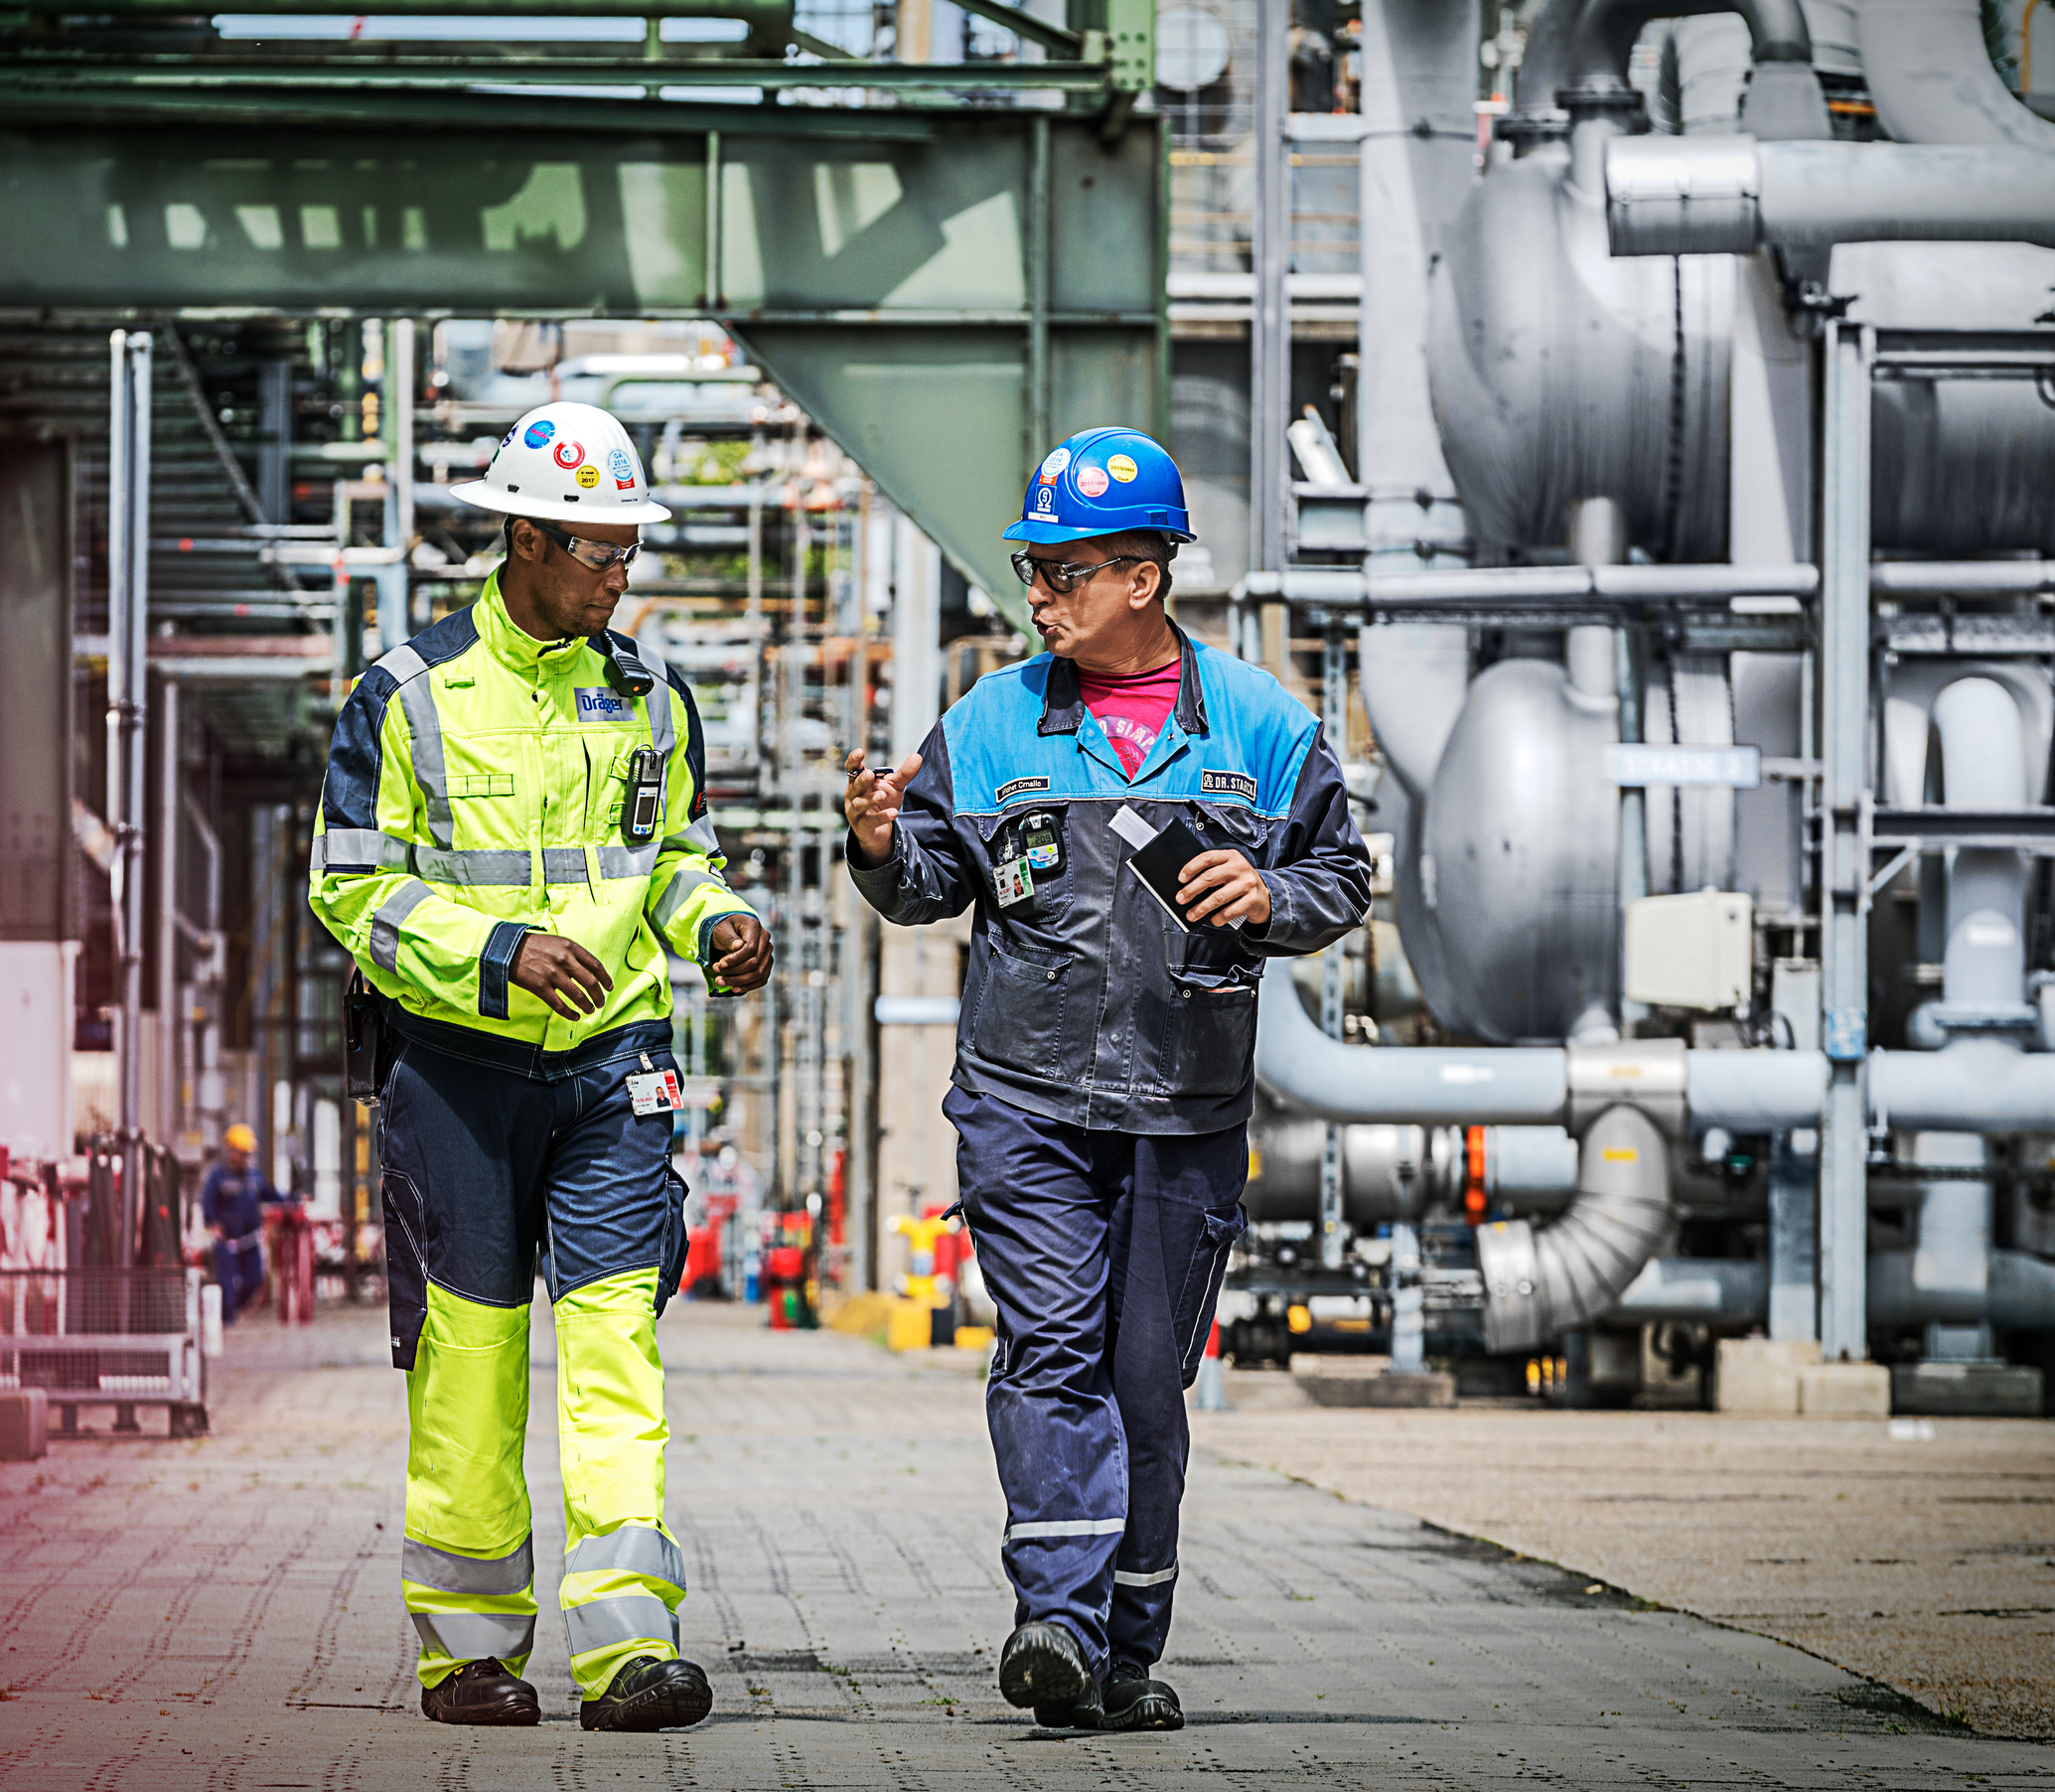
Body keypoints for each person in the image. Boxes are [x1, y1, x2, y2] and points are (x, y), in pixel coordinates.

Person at [843, 427, 1370, 1733]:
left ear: (1143, 577)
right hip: (1027, 1102)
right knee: (1052, 1348)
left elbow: (1345, 877)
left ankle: (1126, 1651)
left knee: (1147, 1382)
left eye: (1064, 571)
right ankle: (1058, 1622)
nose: (1038, 595)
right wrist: (869, 847)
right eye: (1033, 569)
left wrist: (1275, 890)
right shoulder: (988, 724)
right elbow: (925, 883)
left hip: (1185, 1117)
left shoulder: (1264, 727)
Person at [309, 400, 771, 1734]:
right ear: (524, 537)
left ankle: (627, 1648)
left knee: (618, 1340)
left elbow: (673, 859)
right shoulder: (404, 697)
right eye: (599, 554)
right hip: (455, 1073)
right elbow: (352, 893)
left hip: (614, 1071)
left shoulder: (650, 699)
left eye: (629, 554)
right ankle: (466, 1653)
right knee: (473, 1357)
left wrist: (717, 924)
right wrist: (496, 951)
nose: (620, 577)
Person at [199, 1123, 284, 1323]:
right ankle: (225, 1319)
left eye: (248, 1154)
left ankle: (233, 1308)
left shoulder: (254, 1177)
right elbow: (208, 1204)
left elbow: (270, 1195)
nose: (246, 1158)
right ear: (231, 1151)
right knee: (227, 1286)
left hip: (250, 1242)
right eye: (243, 1153)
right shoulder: (218, 1177)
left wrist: (292, 1200)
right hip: (227, 1242)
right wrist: (214, 1224)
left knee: (254, 1279)